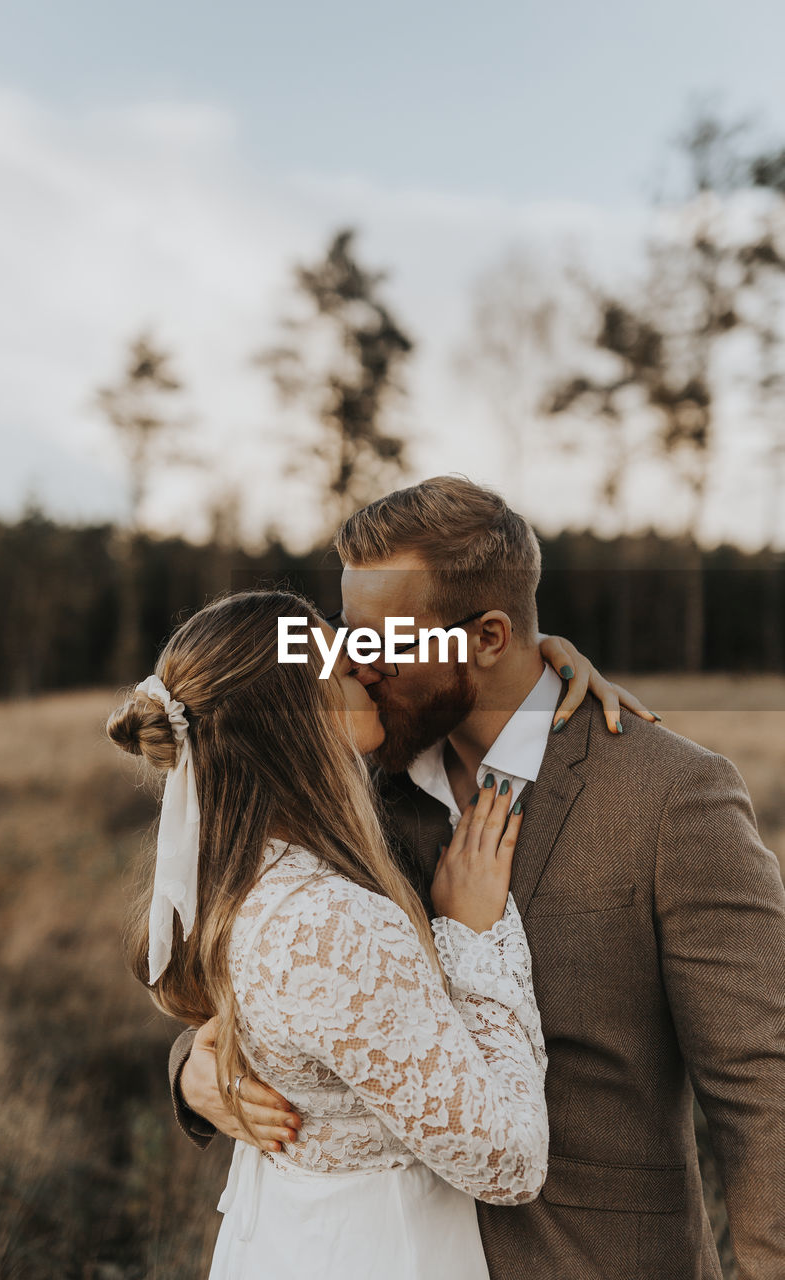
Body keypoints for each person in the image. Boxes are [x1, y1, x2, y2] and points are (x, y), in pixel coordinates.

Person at [172, 476, 785, 1280]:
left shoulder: (669, 796)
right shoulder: (349, 793)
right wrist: (193, 1070)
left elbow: (761, 1081)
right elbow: (278, 969)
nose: (353, 665)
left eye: (380, 644)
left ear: (489, 637)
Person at [107, 589, 557, 1280]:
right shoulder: (328, 924)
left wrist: (550, 661)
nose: (357, 655)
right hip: (381, 1247)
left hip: (294, 1235)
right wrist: (472, 939)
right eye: (329, 650)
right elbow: (509, 1162)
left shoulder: (228, 877)